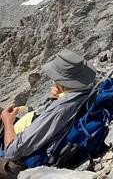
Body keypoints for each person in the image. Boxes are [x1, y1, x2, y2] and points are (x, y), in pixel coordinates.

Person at [0, 49, 96, 179]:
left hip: (18, 162)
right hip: (31, 132)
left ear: (62, 82)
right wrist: (61, 95)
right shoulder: (87, 91)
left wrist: (7, 123)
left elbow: (12, 151)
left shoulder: (61, 109)